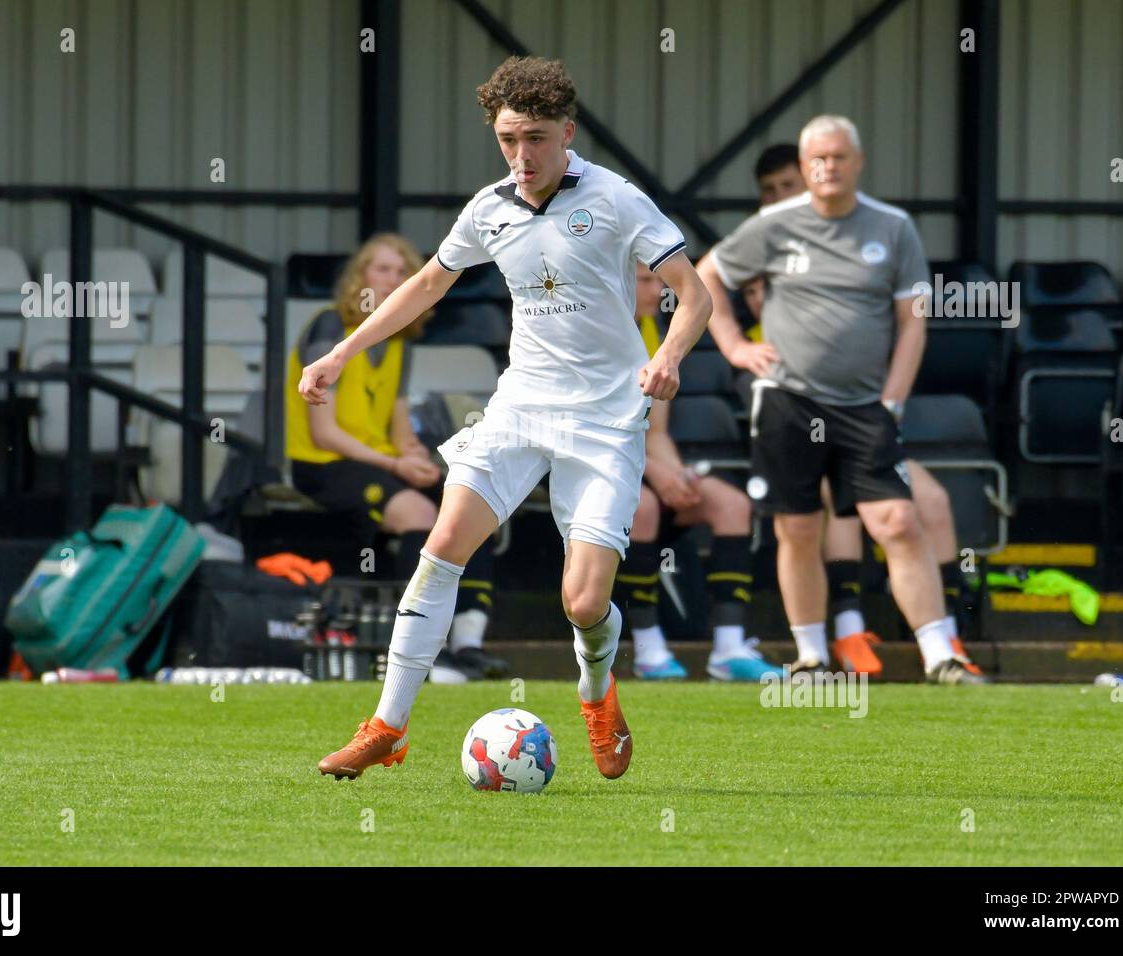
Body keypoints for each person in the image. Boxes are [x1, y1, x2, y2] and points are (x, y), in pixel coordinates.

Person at [303, 56, 712, 780]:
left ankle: (596, 688)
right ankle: (386, 727)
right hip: (520, 406)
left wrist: (671, 353)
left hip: (606, 419)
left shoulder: (617, 199)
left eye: (535, 140)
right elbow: (429, 283)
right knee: (442, 547)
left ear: (567, 133)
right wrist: (341, 351)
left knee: (583, 603)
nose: (521, 157)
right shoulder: (489, 207)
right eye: (507, 140)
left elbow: (694, 291)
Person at [696, 116, 984, 684]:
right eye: (817, 159)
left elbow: (913, 324)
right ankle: (811, 657)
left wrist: (893, 401)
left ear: (858, 161)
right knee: (797, 530)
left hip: (864, 408)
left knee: (899, 521)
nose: (828, 167)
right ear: (805, 169)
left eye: (838, 157)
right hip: (787, 401)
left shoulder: (894, 227)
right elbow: (706, 276)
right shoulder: (773, 225)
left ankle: (940, 655)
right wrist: (733, 346)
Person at [286, 233, 506, 683]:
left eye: (401, 272)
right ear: (359, 277)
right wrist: (395, 466)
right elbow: (323, 434)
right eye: (381, 269)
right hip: (323, 465)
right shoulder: (330, 327)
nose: (391, 280)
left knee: (473, 505)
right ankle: (421, 653)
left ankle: (468, 642)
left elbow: (399, 424)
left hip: (378, 461)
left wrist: (413, 455)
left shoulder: (399, 341)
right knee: (419, 513)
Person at [619, 261, 777, 681]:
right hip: (594, 469)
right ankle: (649, 649)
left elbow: (657, 433)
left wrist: (678, 476)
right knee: (645, 507)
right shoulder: (595, 335)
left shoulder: (657, 335)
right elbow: (587, 431)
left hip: (643, 466)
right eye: (646, 281)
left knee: (732, 504)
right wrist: (657, 474)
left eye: (660, 281)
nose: (658, 292)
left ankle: (728, 648)